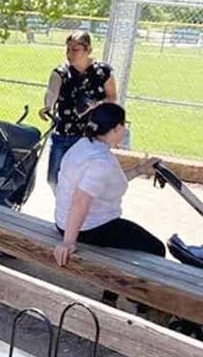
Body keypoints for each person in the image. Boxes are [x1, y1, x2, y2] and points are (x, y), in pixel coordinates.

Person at [53, 103, 164, 267]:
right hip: (89, 228)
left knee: (133, 240)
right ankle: (120, 291)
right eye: (124, 125)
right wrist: (68, 242)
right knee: (157, 249)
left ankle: (113, 292)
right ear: (117, 128)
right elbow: (81, 199)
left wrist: (140, 169)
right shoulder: (101, 161)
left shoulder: (84, 145)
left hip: (64, 222)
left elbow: (108, 181)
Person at [41, 30, 117, 190]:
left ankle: (73, 211)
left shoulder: (103, 72)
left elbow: (112, 97)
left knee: (82, 181)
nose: (70, 54)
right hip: (63, 132)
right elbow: (52, 91)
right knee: (54, 178)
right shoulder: (61, 72)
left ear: (87, 49)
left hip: (90, 137)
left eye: (75, 49)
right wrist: (47, 106)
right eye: (68, 49)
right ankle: (65, 206)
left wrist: (97, 104)